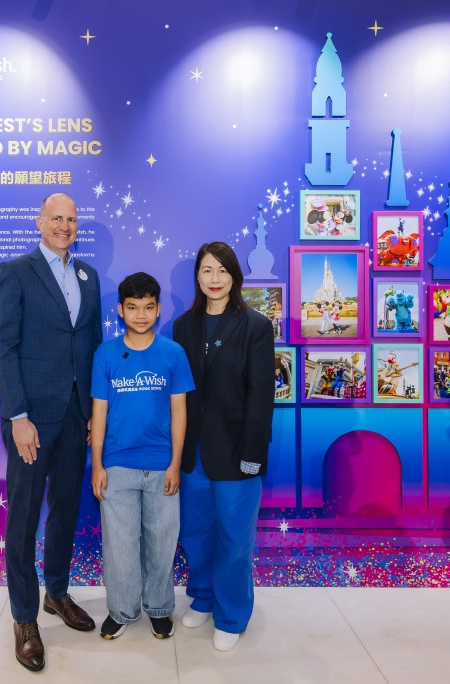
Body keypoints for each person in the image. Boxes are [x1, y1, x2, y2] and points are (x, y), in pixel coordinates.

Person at [0, 192, 102, 672]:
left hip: (77, 417)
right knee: (24, 517)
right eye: (56, 217)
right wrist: (18, 417)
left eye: (72, 219)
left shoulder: (88, 275)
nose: (64, 225)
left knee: (65, 512)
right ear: (39, 221)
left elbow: (93, 345)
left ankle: (56, 592)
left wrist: (97, 412)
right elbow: (5, 347)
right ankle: (23, 617)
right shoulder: (15, 271)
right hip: (31, 421)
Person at [172, 241, 275, 652]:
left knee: (234, 539)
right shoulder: (183, 326)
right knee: (196, 532)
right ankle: (203, 596)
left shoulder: (255, 325)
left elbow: (261, 395)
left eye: (222, 271)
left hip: (236, 452)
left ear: (234, 276)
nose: (214, 280)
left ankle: (232, 614)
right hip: (193, 451)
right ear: (197, 276)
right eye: (206, 271)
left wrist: (253, 454)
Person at [89, 272, 194, 641]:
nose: (141, 315)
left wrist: (175, 463)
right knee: (119, 546)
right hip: (117, 466)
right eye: (132, 308)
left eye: (149, 307)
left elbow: (180, 412)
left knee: (162, 543)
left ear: (158, 309)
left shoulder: (173, 353)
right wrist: (98, 464)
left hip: (162, 465)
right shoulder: (105, 354)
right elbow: (98, 411)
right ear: (120, 310)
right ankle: (121, 610)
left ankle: (160, 608)